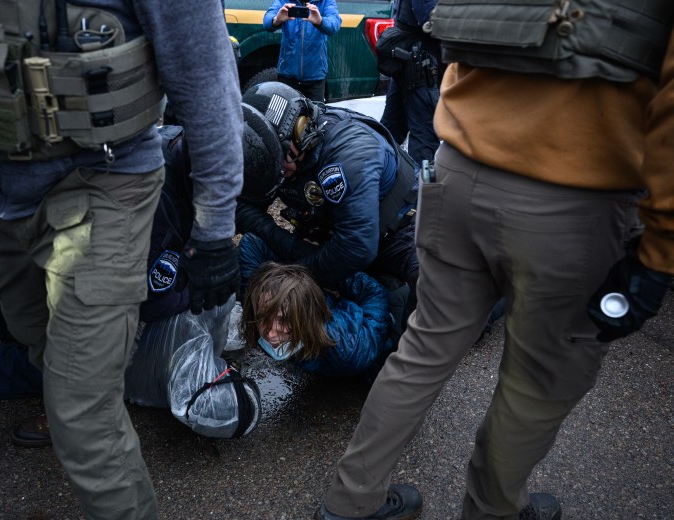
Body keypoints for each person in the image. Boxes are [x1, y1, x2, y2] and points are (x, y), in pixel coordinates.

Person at [314, 3, 674, 520]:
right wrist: (661, 249)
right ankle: (492, 509)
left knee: (423, 348)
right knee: (536, 381)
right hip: (572, 197)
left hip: (457, 169)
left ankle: (349, 504)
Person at [0, 1, 243, 519]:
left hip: (104, 183)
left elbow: (206, 77)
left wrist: (215, 227)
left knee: (81, 409)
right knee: (39, 345)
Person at [237, 81, 420, 336]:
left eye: (277, 159)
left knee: (429, 295)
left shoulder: (351, 153)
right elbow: (242, 207)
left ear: (301, 134)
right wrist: (294, 249)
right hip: (330, 237)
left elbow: (356, 246)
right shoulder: (274, 154)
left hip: (401, 234)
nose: (272, 169)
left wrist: (298, 272)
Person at [239, 234, 394, 378]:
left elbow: (375, 293)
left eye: (283, 320)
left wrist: (323, 271)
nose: (270, 334)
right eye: (263, 317)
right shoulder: (257, 299)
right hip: (311, 296)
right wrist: (298, 271)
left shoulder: (350, 349)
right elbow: (251, 241)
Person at [377, 0, 440, 166]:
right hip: (420, 65)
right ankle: (418, 189)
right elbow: (430, 20)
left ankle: (382, 179)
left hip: (413, 62)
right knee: (423, 138)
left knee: (390, 132)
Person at [263, 0, 341, 102]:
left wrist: (320, 21)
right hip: (287, 76)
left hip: (315, 78)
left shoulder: (326, 1)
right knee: (286, 116)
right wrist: (276, 19)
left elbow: (335, 24)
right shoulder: (283, 1)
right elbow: (266, 21)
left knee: (315, 116)